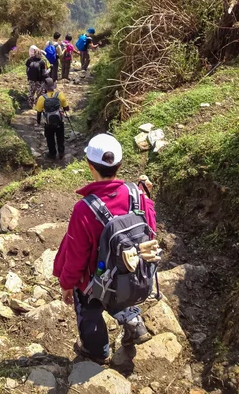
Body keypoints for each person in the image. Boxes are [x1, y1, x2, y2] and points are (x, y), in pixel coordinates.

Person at [53, 133, 157, 364]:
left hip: (95, 279)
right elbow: (151, 228)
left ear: (90, 166)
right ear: (119, 165)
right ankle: (133, 324)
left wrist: (67, 284)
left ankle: (96, 351)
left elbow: (76, 254)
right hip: (130, 271)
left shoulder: (84, 208)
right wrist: (146, 196)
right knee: (118, 296)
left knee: (88, 311)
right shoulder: (136, 194)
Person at [35, 77, 69, 160]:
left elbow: (39, 111)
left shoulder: (42, 98)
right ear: (54, 86)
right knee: (60, 137)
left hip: (48, 123)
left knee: (50, 138)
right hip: (59, 121)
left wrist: (38, 122)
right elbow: (66, 108)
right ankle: (61, 153)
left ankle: (52, 153)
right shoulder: (60, 95)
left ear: (45, 88)